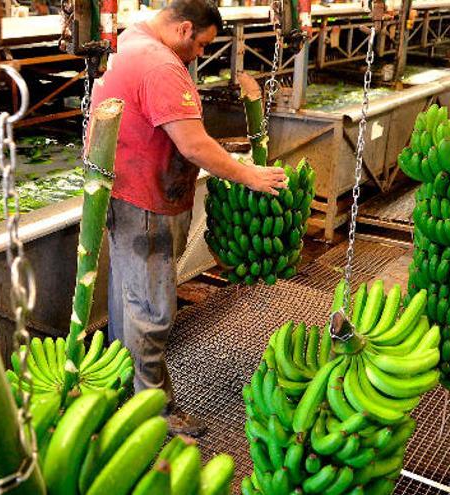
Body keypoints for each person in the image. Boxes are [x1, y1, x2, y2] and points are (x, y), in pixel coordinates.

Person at [89, 0, 287, 436]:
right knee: (151, 312)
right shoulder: (161, 64)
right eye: (201, 44)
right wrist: (249, 175)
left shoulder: (132, 40)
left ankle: (125, 395)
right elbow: (194, 145)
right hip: (146, 204)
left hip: (125, 192)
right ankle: (154, 414)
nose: (200, 53)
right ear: (182, 29)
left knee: (129, 303)